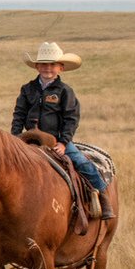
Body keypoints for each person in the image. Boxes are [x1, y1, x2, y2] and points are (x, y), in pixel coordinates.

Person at [12, 41, 114, 219]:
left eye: (52, 64)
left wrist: (64, 143)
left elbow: (71, 119)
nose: (47, 68)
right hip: (30, 138)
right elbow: (19, 114)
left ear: (61, 68)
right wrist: (15, 139)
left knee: (81, 163)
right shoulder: (27, 89)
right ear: (37, 66)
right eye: (44, 64)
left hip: (56, 140)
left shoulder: (65, 91)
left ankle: (103, 196)